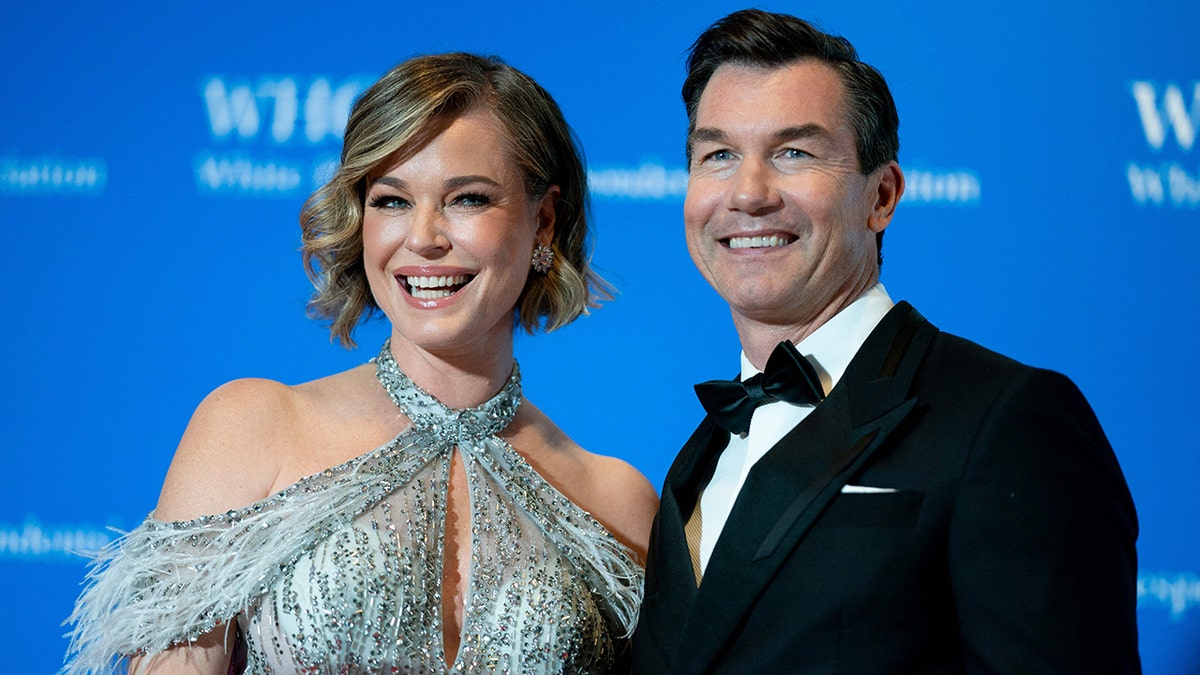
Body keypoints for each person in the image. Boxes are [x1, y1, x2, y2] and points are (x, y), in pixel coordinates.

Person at [65, 52, 658, 674]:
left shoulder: (617, 502)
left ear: (543, 222)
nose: (423, 238)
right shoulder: (251, 428)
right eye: (392, 201)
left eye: (468, 199)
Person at [632, 9, 1139, 673]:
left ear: (883, 195)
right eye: (718, 155)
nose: (748, 194)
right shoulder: (697, 458)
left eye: (794, 153)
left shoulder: (1005, 420)